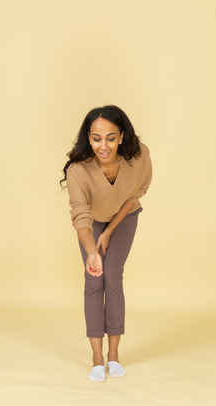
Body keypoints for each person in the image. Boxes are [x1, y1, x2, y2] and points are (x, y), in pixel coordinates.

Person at [60, 105, 152, 382]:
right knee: (94, 279)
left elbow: (136, 194)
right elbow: (81, 217)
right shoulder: (78, 170)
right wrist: (92, 251)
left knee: (113, 277)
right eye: (97, 138)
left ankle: (113, 355)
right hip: (92, 224)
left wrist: (110, 230)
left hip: (124, 217)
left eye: (111, 138)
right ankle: (97, 358)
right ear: (88, 138)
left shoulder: (139, 156)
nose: (104, 145)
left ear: (122, 136)